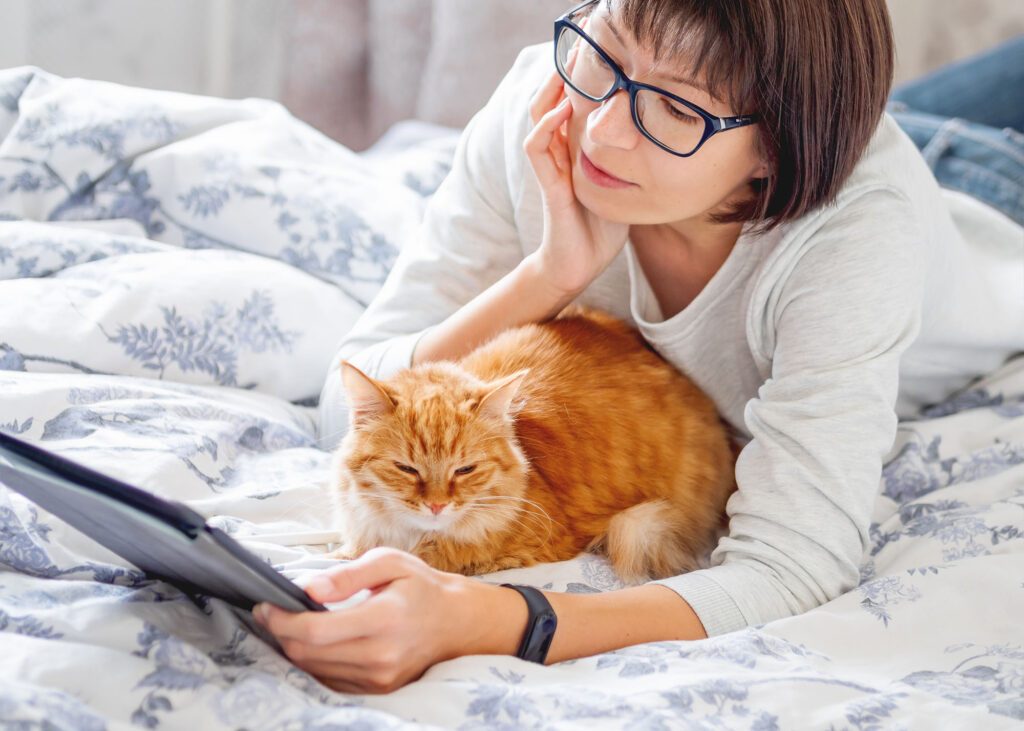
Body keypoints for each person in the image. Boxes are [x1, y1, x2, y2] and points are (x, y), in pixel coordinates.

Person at [254, 0, 1024, 694]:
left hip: (995, 191)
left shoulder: (855, 238)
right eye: (608, 53)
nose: (604, 130)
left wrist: (491, 618)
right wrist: (548, 274)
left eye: (675, 110)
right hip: (833, 109)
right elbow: (344, 409)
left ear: (772, 152)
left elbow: (791, 565)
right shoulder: (548, 105)